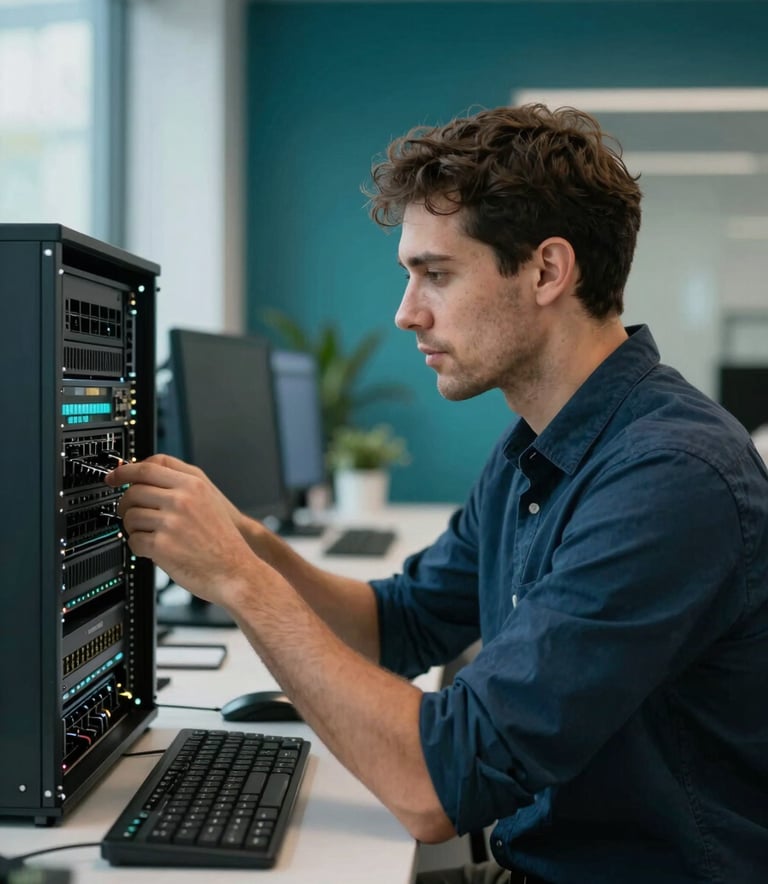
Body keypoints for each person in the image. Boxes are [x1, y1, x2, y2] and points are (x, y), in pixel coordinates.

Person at [107, 105, 768, 884]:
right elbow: (401, 624)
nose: (406, 312)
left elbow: (436, 786)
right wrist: (248, 545)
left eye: (437, 273)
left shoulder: (669, 478)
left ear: (549, 271)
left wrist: (239, 583)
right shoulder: (538, 444)